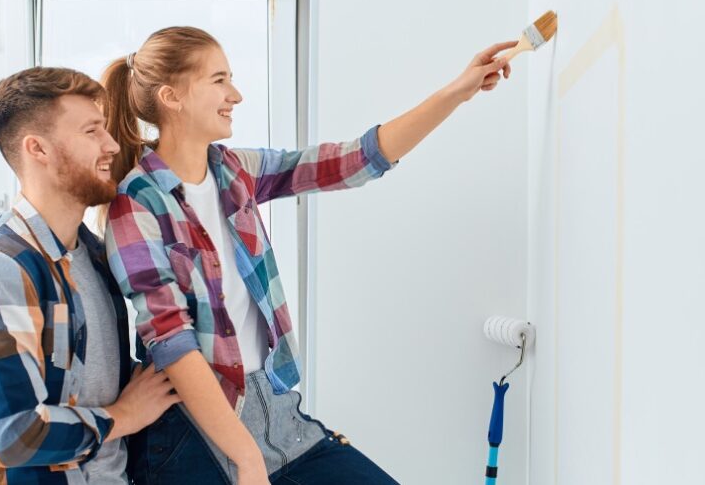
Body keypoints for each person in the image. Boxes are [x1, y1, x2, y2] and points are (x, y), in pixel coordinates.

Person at [102, 26, 516, 484]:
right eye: (219, 80)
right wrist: (246, 456)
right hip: (193, 435)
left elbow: (355, 160)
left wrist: (458, 91)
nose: (235, 94)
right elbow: (173, 344)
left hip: (277, 417)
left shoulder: (234, 170)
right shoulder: (136, 203)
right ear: (171, 96)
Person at [0, 67, 180, 484]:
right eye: (91, 131)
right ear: (38, 149)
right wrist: (121, 418)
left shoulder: (98, 258)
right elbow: (13, 436)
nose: (111, 145)